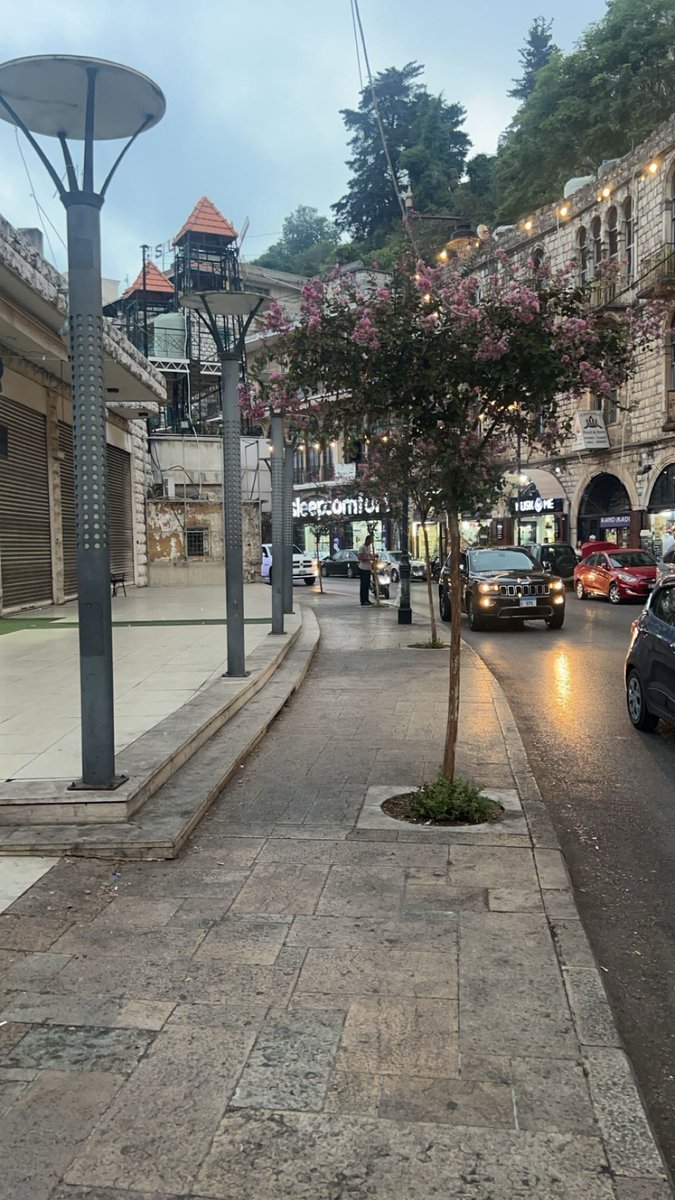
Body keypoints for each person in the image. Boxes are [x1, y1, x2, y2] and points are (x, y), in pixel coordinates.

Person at [357, 533, 375, 605]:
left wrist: (373, 556)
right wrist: (369, 558)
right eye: (370, 541)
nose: (370, 542)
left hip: (368, 568)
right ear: (367, 540)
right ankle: (363, 600)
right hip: (363, 568)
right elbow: (360, 557)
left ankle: (367, 599)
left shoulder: (369, 547)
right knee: (363, 585)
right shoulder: (362, 547)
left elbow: (370, 555)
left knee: (367, 585)